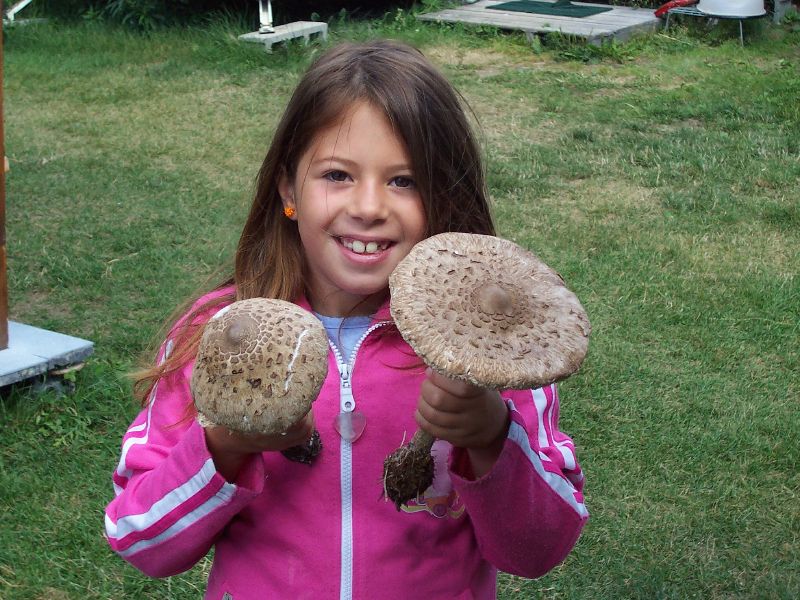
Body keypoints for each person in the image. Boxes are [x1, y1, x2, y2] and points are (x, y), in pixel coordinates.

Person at [104, 39, 588, 599]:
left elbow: (536, 551)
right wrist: (226, 445)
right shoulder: (217, 334)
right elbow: (137, 538)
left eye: (404, 181)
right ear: (288, 187)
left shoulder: (492, 354)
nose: (368, 206)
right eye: (337, 174)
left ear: (444, 196)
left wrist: (490, 437)